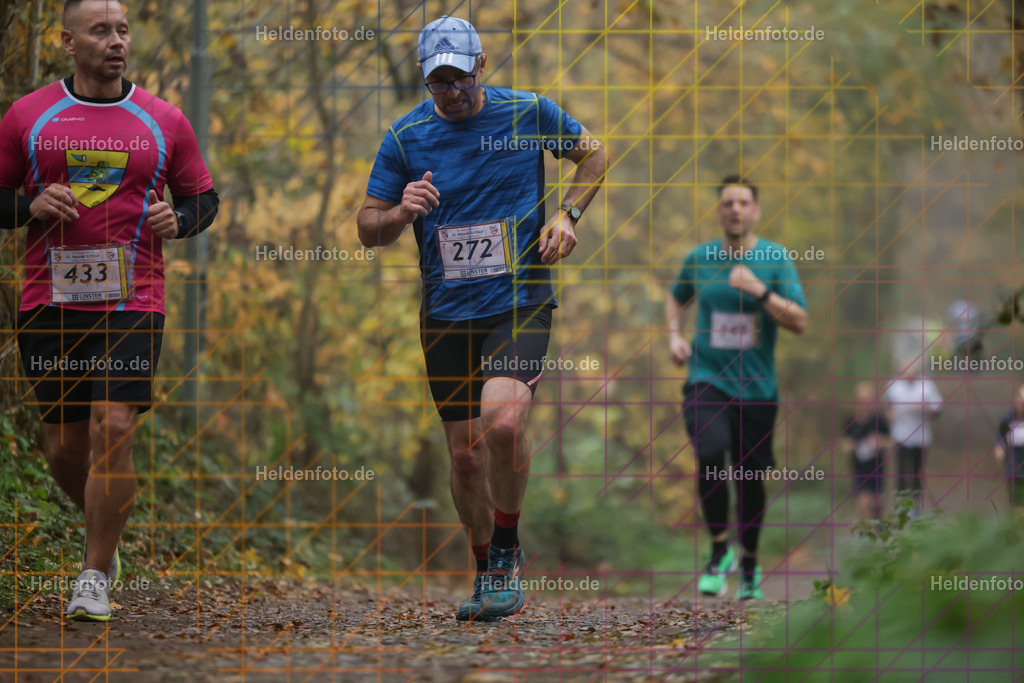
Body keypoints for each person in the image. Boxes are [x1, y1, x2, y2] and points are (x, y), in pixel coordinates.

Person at [356, 15, 607, 621]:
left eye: (460, 77)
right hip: (445, 311)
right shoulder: (405, 136)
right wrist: (400, 213)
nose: (452, 91)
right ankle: (486, 568)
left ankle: (507, 545)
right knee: (465, 455)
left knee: (501, 423)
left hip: (520, 299)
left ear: (483, 65)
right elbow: (368, 227)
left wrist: (568, 215)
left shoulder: (529, 113)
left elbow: (594, 155)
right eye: (438, 82)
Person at [0, 0, 218, 621]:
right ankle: (107, 532)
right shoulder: (28, 116)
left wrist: (181, 220)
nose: (117, 41)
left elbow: (205, 198)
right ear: (68, 41)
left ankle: (93, 574)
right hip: (49, 298)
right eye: (101, 31)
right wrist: (29, 207)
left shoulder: (163, 120)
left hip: (134, 297)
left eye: (123, 29)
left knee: (113, 426)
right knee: (65, 448)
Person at [665, 176, 807, 601]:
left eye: (744, 202)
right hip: (706, 378)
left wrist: (760, 291)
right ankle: (718, 551)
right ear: (719, 211)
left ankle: (748, 562)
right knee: (709, 452)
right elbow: (676, 298)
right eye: (728, 202)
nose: (736, 209)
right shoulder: (699, 258)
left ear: (756, 211)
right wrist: (674, 334)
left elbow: (799, 321)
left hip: (758, 389)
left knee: (749, 478)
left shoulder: (775, 259)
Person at [883, 356, 943, 519]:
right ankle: (901, 506)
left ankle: (915, 506)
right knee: (901, 472)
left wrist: (925, 408)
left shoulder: (927, 385)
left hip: (921, 438)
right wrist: (889, 415)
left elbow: (938, 410)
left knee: (917, 472)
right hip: (900, 436)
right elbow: (886, 406)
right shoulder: (893, 386)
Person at [839, 382, 892, 521]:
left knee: (877, 502)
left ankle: (879, 523)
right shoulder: (850, 420)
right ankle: (866, 532)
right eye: (861, 400)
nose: (864, 403)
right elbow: (844, 442)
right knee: (863, 501)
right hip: (858, 467)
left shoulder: (879, 420)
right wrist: (848, 445)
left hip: (877, 466)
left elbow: (891, 441)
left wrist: (880, 441)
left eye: (868, 400)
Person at [993, 383, 1024, 515]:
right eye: (1021, 399)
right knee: (1017, 506)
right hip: (1014, 471)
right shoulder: (1007, 418)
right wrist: (1000, 449)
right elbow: (1001, 439)